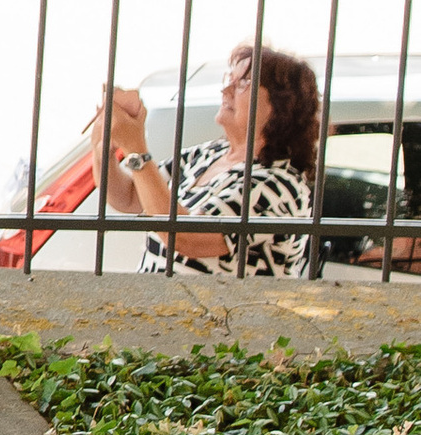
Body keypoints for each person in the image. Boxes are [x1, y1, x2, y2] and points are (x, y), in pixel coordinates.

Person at [93, 39, 319, 277]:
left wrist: (135, 148)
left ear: (283, 108)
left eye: (244, 83)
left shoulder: (279, 186)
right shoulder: (208, 154)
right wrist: (104, 141)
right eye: (228, 79)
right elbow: (127, 197)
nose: (225, 90)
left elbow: (185, 237)